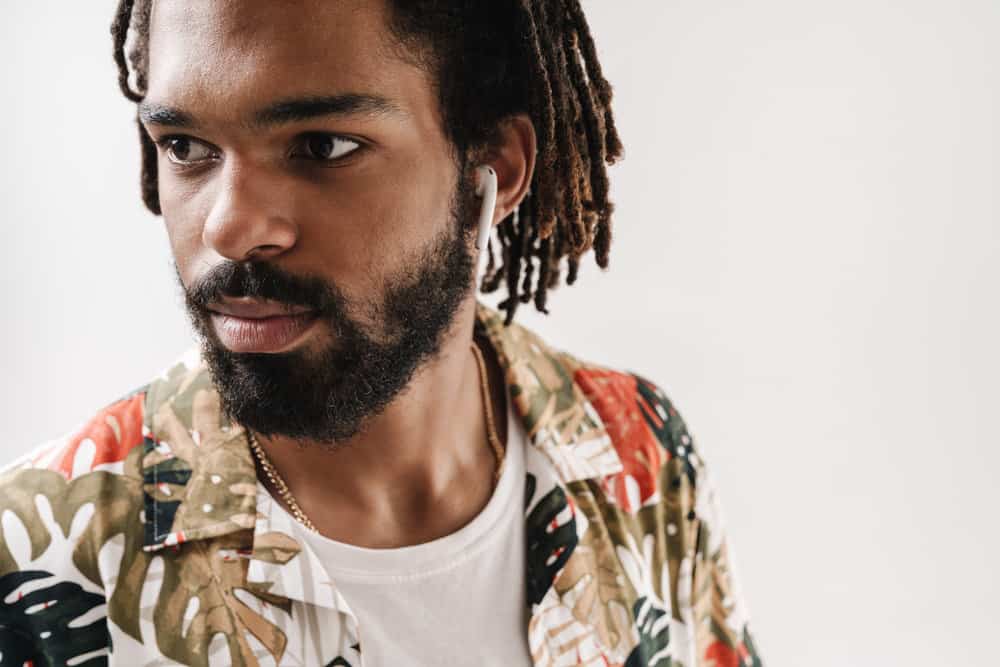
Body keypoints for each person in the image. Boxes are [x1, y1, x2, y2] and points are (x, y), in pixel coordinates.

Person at [0, 1, 763, 665]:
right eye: (186, 147)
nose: (229, 226)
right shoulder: (38, 556)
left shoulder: (640, 451)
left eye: (321, 146)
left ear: (492, 167)